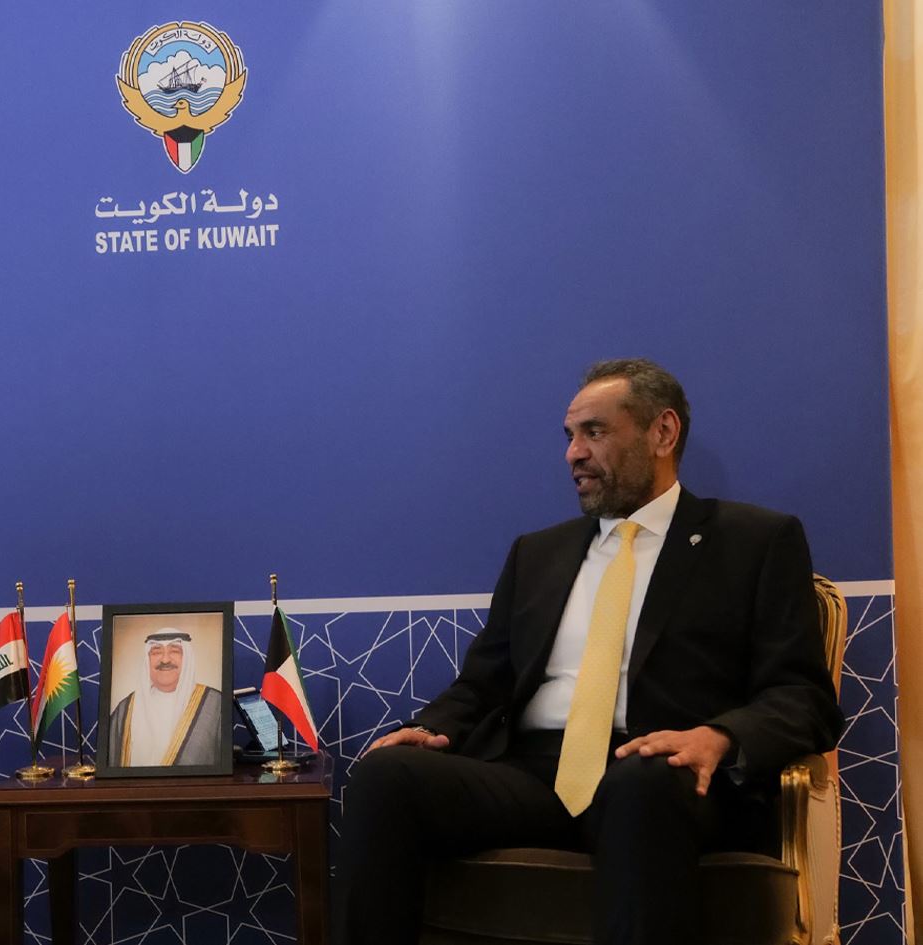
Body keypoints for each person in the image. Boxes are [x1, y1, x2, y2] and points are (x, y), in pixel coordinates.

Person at [335, 359, 842, 945]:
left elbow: (802, 697)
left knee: (642, 782)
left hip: (665, 778)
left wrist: (718, 737)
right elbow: (482, 683)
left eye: (594, 432)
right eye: (571, 436)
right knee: (386, 776)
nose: (573, 453)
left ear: (662, 433)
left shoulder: (754, 541)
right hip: (535, 775)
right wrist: (432, 728)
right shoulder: (538, 553)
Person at [104, 630, 223, 766]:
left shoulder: (215, 704)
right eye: (156, 652)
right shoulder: (126, 709)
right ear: (147, 660)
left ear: (187, 658)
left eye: (175, 651)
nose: (165, 660)